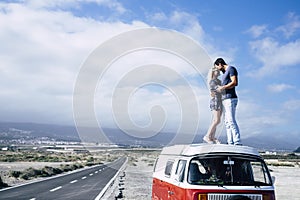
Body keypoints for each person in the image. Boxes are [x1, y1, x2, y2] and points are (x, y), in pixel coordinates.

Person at [214, 58, 241, 145]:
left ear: (220, 64)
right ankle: (230, 142)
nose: (218, 69)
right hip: (225, 99)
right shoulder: (224, 73)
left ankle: (237, 141)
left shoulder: (231, 69)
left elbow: (235, 82)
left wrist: (223, 87)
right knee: (227, 122)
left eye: (217, 67)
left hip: (230, 99)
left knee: (231, 120)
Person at [203, 67, 222, 144]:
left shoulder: (218, 81)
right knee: (217, 120)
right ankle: (207, 136)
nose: (218, 72)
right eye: (217, 71)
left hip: (219, 100)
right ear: (213, 72)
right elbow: (219, 89)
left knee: (216, 120)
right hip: (215, 101)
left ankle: (212, 137)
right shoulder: (212, 81)